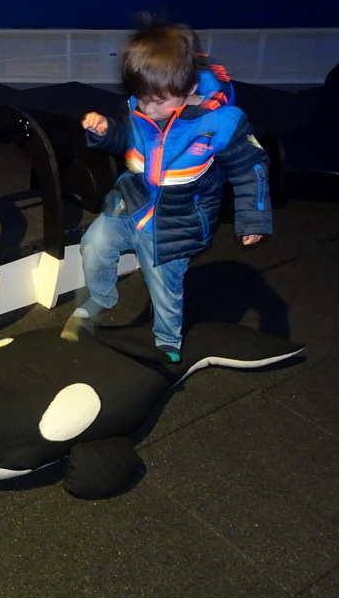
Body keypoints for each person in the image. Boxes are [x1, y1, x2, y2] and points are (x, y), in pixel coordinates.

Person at [61, 18, 272, 362]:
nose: (149, 110)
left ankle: (168, 340)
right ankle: (100, 297)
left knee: (163, 281)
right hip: (132, 202)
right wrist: (103, 132)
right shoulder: (144, 104)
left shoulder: (221, 122)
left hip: (180, 217)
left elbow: (251, 167)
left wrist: (254, 218)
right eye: (142, 99)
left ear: (188, 87)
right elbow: (126, 140)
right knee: (94, 244)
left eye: (159, 102)